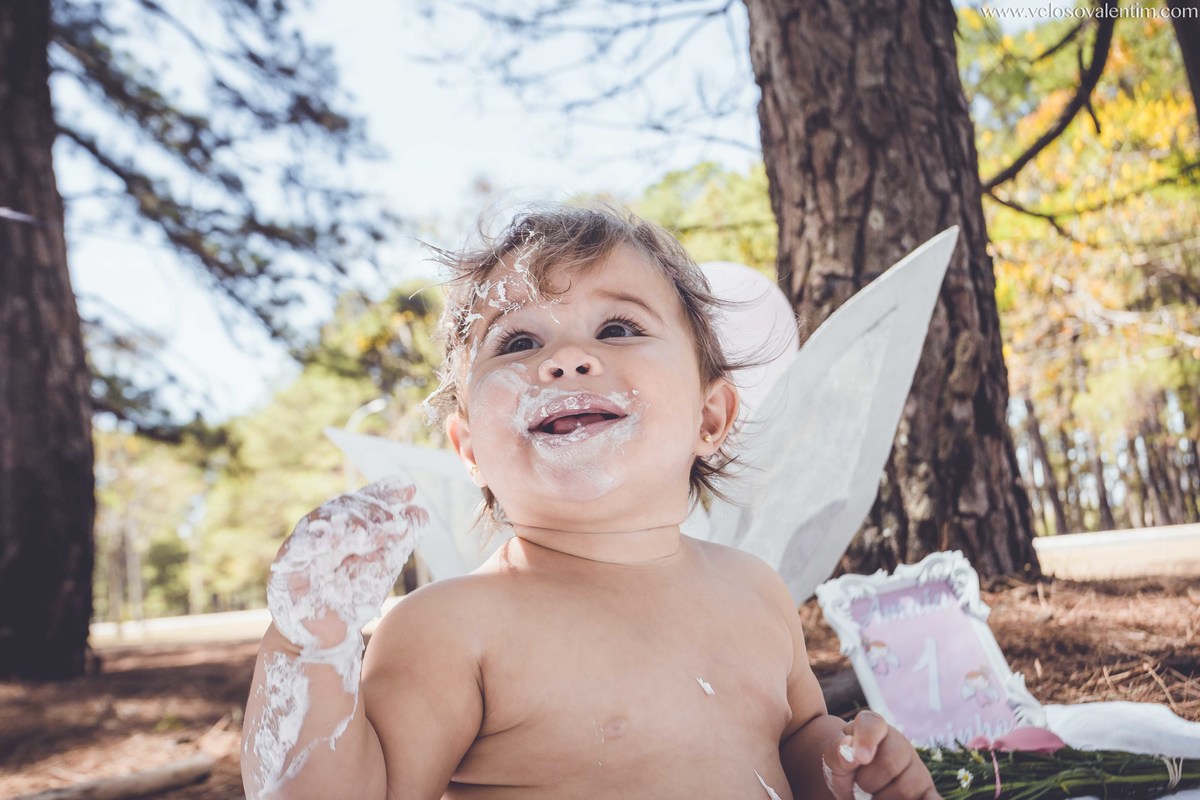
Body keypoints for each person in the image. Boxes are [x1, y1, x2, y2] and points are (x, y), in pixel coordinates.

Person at [241, 205, 938, 799]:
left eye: (617, 329)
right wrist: (308, 644)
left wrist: (842, 764)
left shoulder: (757, 592)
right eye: (519, 340)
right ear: (470, 449)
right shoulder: (451, 628)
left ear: (710, 418)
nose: (567, 359)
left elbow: (794, 739)